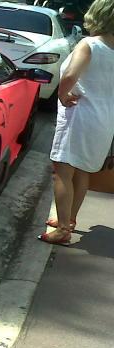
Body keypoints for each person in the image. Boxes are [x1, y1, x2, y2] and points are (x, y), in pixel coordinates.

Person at [38, 0, 114, 244]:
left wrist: (61, 94)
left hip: (80, 115)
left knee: (62, 172)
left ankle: (62, 230)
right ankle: (68, 218)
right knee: (82, 173)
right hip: (105, 120)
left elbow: (71, 74)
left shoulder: (90, 44)